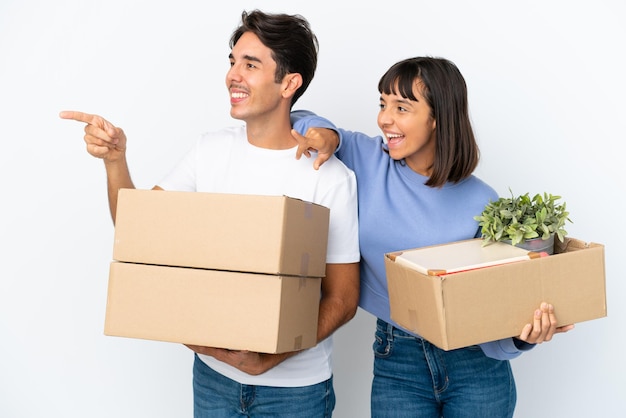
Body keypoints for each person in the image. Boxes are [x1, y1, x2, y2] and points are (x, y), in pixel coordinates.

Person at [60, 9, 360, 418]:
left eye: (250, 65)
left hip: (295, 393)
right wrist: (115, 161)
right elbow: (137, 231)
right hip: (213, 382)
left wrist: (271, 358)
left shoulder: (330, 177)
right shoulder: (210, 150)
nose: (233, 75)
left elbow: (343, 298)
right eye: (233, 61)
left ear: (289, 83)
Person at [291, 56, 574, 417]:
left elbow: (495, 309)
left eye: (402, 107)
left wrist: (523, 337)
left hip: (476, 365)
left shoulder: (483, 202)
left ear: (437, 116)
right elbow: (298, 118)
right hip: (399, 358)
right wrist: (325, 134)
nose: (384, 118)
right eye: (382, 104)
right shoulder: (365, 158)